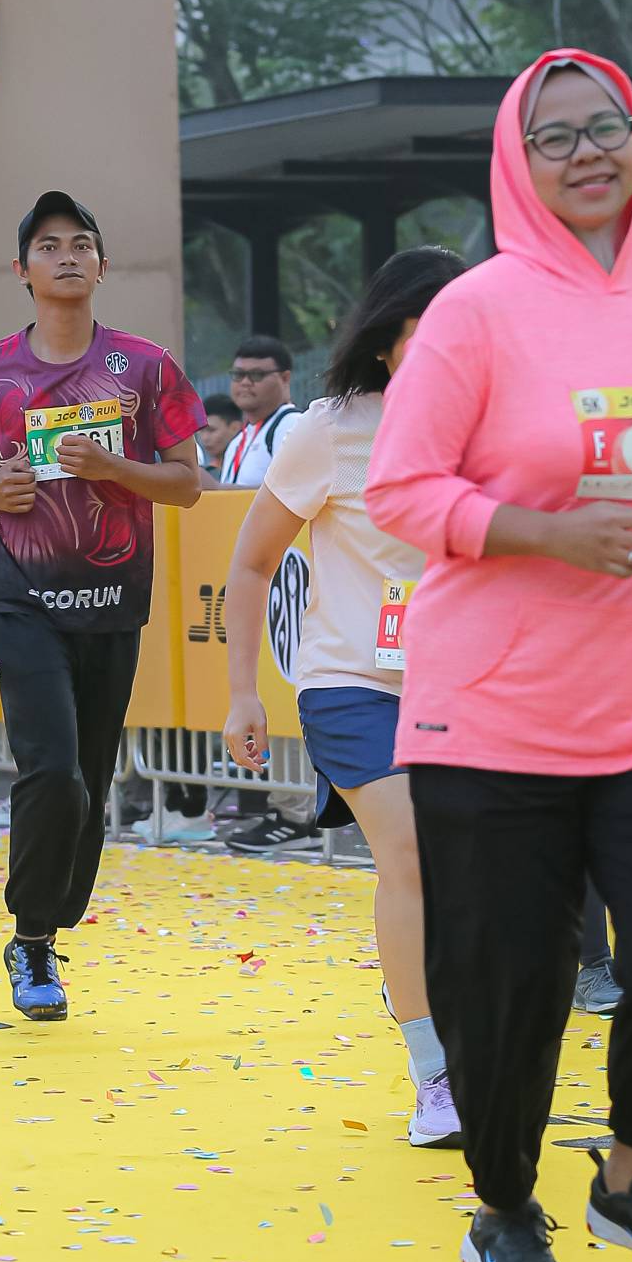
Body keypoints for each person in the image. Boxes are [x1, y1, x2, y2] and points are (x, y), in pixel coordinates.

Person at [366, 49, 632, 1262]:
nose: (586, 153)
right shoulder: (473, 311)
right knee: (508, 986)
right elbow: (399, 489)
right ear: (514, 161)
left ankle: (630, 1179)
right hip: (494, 712)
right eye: (554, 136)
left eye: (606, 128)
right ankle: (502, 1206)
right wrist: (541, 533)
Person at [0, 189, 205, 1020]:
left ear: (103, 266)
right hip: (20, 599)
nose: (67, 256)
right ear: (22, 269)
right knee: (52, 770)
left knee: (88, 783)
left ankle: (48, 923)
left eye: (82, 243)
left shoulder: (146, 368)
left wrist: (114, 469)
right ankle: (33, 938)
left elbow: (188, 482)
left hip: (114, 601)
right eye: (49, 246)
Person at [224, 247, 464, 1148]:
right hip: (352, 683)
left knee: (472, 872)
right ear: (386, 335)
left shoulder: (495, 425)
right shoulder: (329, 430)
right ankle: (434, 1074)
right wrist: (242, 694)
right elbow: (251, 563)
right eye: (427, 330)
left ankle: (459, 1024)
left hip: (467, 687)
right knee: (411, 854)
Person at [218, 338, 299, 486]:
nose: (245, 382)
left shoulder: (292, 425)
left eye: (257, 374)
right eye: (238, 374)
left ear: (285, 378)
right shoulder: (237, 441)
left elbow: (292, 492)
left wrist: (215, 489)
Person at [198, 394, 242, 480]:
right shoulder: (208, 472)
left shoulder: (249, 466)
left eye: (211, 430)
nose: (205, 438)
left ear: (235, 428)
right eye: (201, 430)